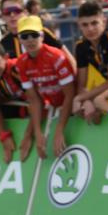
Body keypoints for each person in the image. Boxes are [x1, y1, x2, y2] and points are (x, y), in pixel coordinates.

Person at [15, 16, 74, 159]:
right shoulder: (21, 63)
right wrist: (37, 133)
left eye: (34, 35)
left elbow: (70, 94)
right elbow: (34, 101)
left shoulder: (56, 57)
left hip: (71, 107)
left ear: (42, 36)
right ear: (19, 39)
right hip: (52, 107)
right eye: (24, 36)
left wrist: (59, 130)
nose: (29, 40)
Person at [72, 1, 108, 125]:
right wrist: (87, 102)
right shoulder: (80, 46)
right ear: (79, 26)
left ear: (104, 21)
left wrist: (81, 98)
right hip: (107, 92)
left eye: (94, 23)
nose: (90, 29)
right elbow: (82, 85)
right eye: (85, 25)